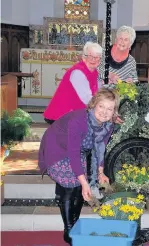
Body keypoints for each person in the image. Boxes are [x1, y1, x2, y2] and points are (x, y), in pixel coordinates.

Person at [38, 88, 119, 245]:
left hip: (78, 150)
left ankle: (74, 225)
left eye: (110, 108)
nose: (104, 112)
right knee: (72, 185)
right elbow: (73, 154)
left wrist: (100, 172)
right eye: (101, 106)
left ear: (114, 111)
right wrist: (84, 183)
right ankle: (69, 231)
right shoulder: (79, 120)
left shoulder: (108, 125)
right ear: (94, 104)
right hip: (57, 147)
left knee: (80, 188)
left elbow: (100, 148)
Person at [43, 41, 102, 124]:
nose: (93, 60)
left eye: (96, 57)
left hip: (75, 115)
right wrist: (104, 107)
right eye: (90, 56)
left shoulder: (94, 71)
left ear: (100, 60)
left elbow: (97, 90)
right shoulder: (78, 72)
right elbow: (87, 99)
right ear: (84, 57)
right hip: (63, 116)